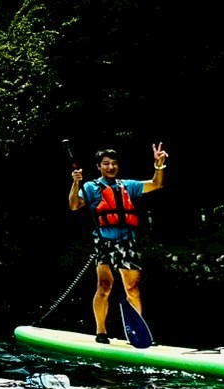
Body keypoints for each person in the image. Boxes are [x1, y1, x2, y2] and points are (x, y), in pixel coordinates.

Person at [68, 144, 167, 343]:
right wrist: (76, 183)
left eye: (113, 163)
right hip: (104, 241)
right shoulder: (90, 187)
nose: (111, 167)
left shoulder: (128, 185)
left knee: (133, 287)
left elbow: (156, 184)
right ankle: (101, 332)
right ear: (99, 167)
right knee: (105, 286)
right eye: (106, 164)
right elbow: (74, 205)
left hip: (127, 241)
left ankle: (137, 333)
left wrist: (159, 165)